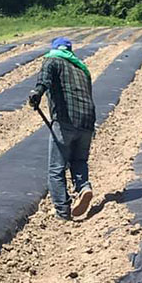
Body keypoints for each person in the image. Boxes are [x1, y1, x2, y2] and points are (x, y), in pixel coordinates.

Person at [28, 37, 95, 220]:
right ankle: (84, 188)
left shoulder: (52, 59)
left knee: (56, 168)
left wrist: (36, 94)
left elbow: (44, 80)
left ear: (55, 48)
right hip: (87, 122)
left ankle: (62, 212)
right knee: (79, 160)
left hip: (65, 120)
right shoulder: (82, 68)